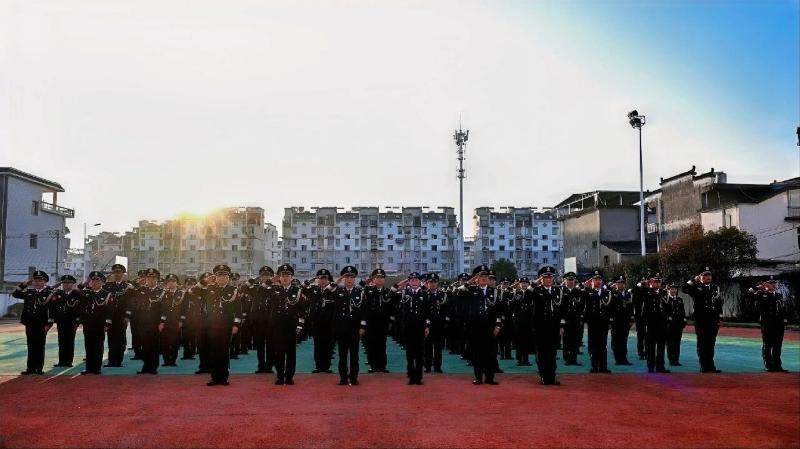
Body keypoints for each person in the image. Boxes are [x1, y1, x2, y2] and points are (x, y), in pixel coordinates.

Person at [457, 265, 502, 385]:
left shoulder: (495, 291)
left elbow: (499, 310)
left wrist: (498, 325)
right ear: (476, 278)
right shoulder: (471, 290)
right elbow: (457, 292)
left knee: (491, 353)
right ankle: (478, 377)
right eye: (481, 276)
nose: (484, 279)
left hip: (491, 327)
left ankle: (490, 377)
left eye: (486, 276)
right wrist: (469, 282)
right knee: (477, 353)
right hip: (475, 327)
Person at [204, 264, 242, 386]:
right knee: (213, 351)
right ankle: (214, 377)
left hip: (226, 325)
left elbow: (238, 310)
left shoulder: (233, 291)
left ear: (228, 277)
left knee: (224, 351)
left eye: (224, 275)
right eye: (219, 275)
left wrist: (236, 324)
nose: (221, 278)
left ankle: (223, 377)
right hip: (212, 325)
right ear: (215, 277)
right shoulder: (210, 289)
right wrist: (205, 282)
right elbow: (191, 292)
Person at [268, 264, 306, 385]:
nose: (285, 278)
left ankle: (289, 376)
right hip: (277, 326)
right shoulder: (274, 290)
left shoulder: (297, 291)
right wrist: (270, 281)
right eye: (282, 275)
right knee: (278, 352)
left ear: (291, 277)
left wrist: (300, 325)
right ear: (279, 277)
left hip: (291, 326)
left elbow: (302, 310)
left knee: (291, 353)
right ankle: (280, 376)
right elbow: (260, 292)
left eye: (287, 275)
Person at [682, 267, 723, 373]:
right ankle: (704, 366)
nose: (708, 277)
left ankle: (711, 366)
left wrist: (720, 317)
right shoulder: (696, 288)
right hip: (701, 319)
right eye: (705, 275)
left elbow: (718, 303)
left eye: (709, 275)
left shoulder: (715, 288)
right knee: (702, 343)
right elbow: (684, 289)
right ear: (700, 277)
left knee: (711, 343)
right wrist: (693, 280)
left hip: (713, 319)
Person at [331, 266, 367, 386]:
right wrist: (337, 280)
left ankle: (354, 377)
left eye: (351, 277)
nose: (349, 279)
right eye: (347, 277)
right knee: (342, 355)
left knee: (354, 356)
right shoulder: (338, 291)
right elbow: (327, 291)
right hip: (341, 329)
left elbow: (363, 312)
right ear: (343, 279)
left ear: (355, 279)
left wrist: (362, 327)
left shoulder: (359, 292)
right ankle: (343, 378)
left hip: (354, 329)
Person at [13, 270, 53, 375]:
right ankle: (30, 368)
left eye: (40, 280)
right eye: (36, 280)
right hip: (30, 323)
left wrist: (49, 324)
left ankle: (39, 368)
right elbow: (15, 294)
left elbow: (52, 310)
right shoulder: (29, 292)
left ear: (45, 282)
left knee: (40, 346)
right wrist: (24, 284)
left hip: (42, 324)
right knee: (31, 346)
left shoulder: (49, 293)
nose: (37, 282)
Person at [746, 277, 789, 372]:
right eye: (770, 283)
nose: (773, 285)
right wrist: (757, 287)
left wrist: (785, 319)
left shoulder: (779, 295)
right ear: (765, 284)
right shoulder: (761, 294)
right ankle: (769, 365)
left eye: (774, 283)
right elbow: (747, 295)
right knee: (768, 344)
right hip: (767, 323)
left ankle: (778, 365)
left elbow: (783, 309)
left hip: (778, 323)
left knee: (778, 344)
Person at [394, 272, 431, 385]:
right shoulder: (404, 293)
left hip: (420, 327)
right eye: (412, 280)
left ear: (420, 281)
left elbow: (427, 312)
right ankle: (411, 376)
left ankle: (418, 377)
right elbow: (392, 292)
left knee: (420, 353)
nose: (414, 282)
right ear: (409, 281)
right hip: (408, 327)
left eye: (416, 280)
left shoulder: (425, 294)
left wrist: (427, 326)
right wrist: (402, 283)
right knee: (409, 353)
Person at [531, 266, 562, 385]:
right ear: (541, 279)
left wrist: (562, 325)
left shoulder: (557, 290)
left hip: (554, 327)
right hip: (540, 326)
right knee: (542, 353)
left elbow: (561, 309)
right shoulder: (537, 290)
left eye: (550, 277)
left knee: (552, 353)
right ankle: (543, 376)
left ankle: (552, 377)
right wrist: (534, 284)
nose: (549, 279)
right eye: (546, 277)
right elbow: (526, 297)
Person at [78, 271, 113, 375]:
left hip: (100, 324)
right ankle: (89, 367)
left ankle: (97, 367)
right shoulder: (86, 293)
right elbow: (81, 305)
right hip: (88, 324)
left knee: (98, 346)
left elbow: (110, 310)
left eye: (97, 280)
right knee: (88, 346)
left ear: (102, 282)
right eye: (93, 280)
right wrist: (81, 321)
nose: (94, 282)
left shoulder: (107, 294)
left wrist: (107, 323)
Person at [303, 268, 336, 373]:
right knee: (318, 346)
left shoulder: (333, 291)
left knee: (328, 346)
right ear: (318, 279)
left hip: (329, 324)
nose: (323, 280)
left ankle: (326, 367)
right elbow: (301, 288)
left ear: (328, 280)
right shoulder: (313, 290)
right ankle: (318, 366)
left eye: (325, 278)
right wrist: (311, 280)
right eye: (321, 278)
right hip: (316, 324)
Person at [132, 268, 163, 375]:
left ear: (157, 279)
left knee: (154, 345)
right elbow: (133, 297)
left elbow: (164, 309)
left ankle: (153, 367)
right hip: (142, 321)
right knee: (144, 345)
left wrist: (162, 322)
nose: (150, 280)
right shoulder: (141, 290)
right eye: (148, 278)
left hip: (155, 322)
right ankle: (145, 366)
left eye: (153, 278)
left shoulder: (161, 292)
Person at [363, 268, 393, 373]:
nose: (379, 280)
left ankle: (382, 366)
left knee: (382, 344)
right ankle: (373, 366)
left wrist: (390, 321)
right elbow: (364, 307)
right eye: (377, 278)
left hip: (383, 323)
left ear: (384, 279)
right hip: (371, 323)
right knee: (371, 345)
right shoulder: (368, 291)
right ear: (373, 279)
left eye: (381, 278)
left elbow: (392, 308)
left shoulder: (388, 292)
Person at [104, 264, 134, 367]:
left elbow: (130, 303)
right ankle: (111, 360)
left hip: (122, 316)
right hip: (110, 317)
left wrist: (127, 315)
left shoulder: (128, 287)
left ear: (123, 274)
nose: (117, 274)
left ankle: (118, 360)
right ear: (113, 273)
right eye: (115, 272)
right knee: (111, 338)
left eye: (119, 272)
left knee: (121, 338)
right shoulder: (107, 286)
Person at [49, 275, 81, 368]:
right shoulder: (58, 293)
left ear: (72, 284)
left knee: (69, 342)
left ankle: (68, 361)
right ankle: (61, 361)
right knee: (61, 341)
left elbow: (80, 309)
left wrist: (77, 322)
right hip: (61, 321)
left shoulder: (77, 294)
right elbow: (52, 306)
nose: (66, 285)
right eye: (64, 283)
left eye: (68, 283)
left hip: (72, 322)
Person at [584, 271, 612, 373]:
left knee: (603, 345)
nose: (598, 281)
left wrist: (610, 321)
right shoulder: (588, 292)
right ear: (591, 281)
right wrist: (586, 285)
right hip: (593, 322)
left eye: (599, 279)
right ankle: (594, 366)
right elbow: (578, 290)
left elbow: (609, 308)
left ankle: (603, 366)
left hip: (603, 322)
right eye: (595, 279)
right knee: (594, 344)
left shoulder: (607, 292)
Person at [642, 273, 670, 373]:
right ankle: (650, 366)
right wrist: (645, 284)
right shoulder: (646, 292)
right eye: (655, 281)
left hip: (661, 324)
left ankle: (660, 366)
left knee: (661, 346)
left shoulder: (663, 293)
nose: (658, 284)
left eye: (659, 281)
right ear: (650, 282)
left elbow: (667, 307)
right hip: (650, 323)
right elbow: (636, 291)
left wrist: (667, 319)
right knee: (651, 346)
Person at [159, 274, 185, 367]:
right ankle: (166, 361)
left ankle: (173, 360)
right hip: (165, 322)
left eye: (173, 281)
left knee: (174, 341)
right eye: (169, 281)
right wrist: (161, 322)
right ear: (166, 283)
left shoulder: (181, 294)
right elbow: (161, 309)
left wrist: (181, 320)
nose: (171, 283)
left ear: (177, 283)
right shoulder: (163, 294)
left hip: (176, 321)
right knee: (165, 341)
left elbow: (184, 309)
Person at [424, 273, 448, 374]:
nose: (433, 284)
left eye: (434, 282)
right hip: (428, 324)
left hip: (439, 324)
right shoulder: (424, 294)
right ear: (427, 283)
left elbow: (447, 309)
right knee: (427, 346)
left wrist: (446, 321)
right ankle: (428, 366)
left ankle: (438, 366)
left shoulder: (443, 294)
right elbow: (422, 311)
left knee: (438, 347)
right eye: (430, 282)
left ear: (437, 283)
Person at [609, 276, 634, 366]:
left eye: (623, 283)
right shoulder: (612, 293)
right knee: (616, 340)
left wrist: (631, 318)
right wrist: (610, 320)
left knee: (624, 340)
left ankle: (624, 358)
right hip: (616, 320)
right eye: (619, 283)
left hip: (625, 321)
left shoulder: (628, 294)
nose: (621, 284)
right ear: (616, 284)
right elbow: (610, 308)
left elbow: (631, 307)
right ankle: (618, 359)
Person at [665, 282, 687, 366]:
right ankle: (671, 359)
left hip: (678, 325)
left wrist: (684, 320)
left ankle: (676, 359)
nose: (674, 290)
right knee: (670, 343)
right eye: (672, 289)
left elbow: (682, 312)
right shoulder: (665, 300)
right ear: (668, 290)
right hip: (669, 325)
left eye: (675, 289)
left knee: (677, 343)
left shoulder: (679, 300)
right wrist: (667, 320)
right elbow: (664, 312)